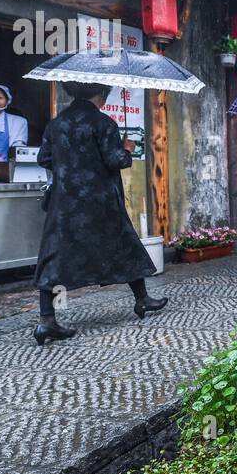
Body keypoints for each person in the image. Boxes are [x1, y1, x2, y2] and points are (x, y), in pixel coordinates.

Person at [32, 81, 166, 345]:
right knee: (123, 245)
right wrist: (127, 147)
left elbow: (43, 159)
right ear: (100, 94)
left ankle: (47, 320)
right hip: (99, 202)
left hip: (64, 203)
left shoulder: (56, 123)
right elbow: (115, 160)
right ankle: (142, 299)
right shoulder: (103, 123)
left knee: (55, 256)